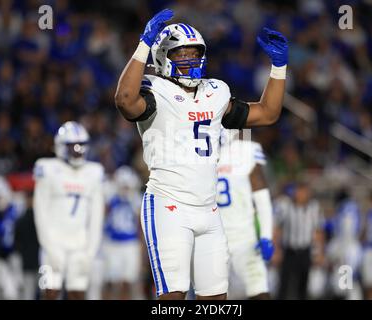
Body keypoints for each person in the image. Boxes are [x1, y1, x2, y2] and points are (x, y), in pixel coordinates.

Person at [114, 8, 287, 300]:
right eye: (181, 53)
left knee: (216, 301)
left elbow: (267, 113)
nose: (190, 58)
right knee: (173, 299)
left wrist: (279, 67)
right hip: (169, 206)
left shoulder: (215, 91)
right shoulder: (155, 89)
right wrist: (144, 44)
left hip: (209, 210)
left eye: (195, 52)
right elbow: (125, 100)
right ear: (163, 56)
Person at [33, 121, 105, 300]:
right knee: (50, 292)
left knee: (77, 294)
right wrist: (48, 246)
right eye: (73, 146)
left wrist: (90, 252)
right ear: (61, 146)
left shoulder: (94, 171)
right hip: (54, 242)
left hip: (80, 244)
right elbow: (40, 211)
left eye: (81, 146)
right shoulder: (47, 168)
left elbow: (97, 216)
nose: (78, 150)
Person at [216, 129, 273, 299]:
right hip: (214, 238)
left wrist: (266, 236)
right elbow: (262, 198)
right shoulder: (196, 152)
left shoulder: (246, 150)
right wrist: (266, 235)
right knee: (213, 296)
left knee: (259, 291)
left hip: (243, 237)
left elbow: (261, 196)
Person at [274, 182, 325, 300]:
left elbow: (319, 231)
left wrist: (320, 253)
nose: (301, 195)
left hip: (305, 250)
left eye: (303, 192)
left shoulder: (314, 207)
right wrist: (276, 250)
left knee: (303, 284)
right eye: (299, 192)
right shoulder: (286, 206)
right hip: (289, 251)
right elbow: (277, 228)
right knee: (284, 284)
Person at [101, 166, 143, 300]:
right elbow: (102, 217)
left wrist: (142, 246)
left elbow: (139, 224)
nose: (125, 188)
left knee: (128, 282)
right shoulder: (110, 197)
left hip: (130, 244)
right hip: (112, 244)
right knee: (110, 282)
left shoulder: (136, 199)